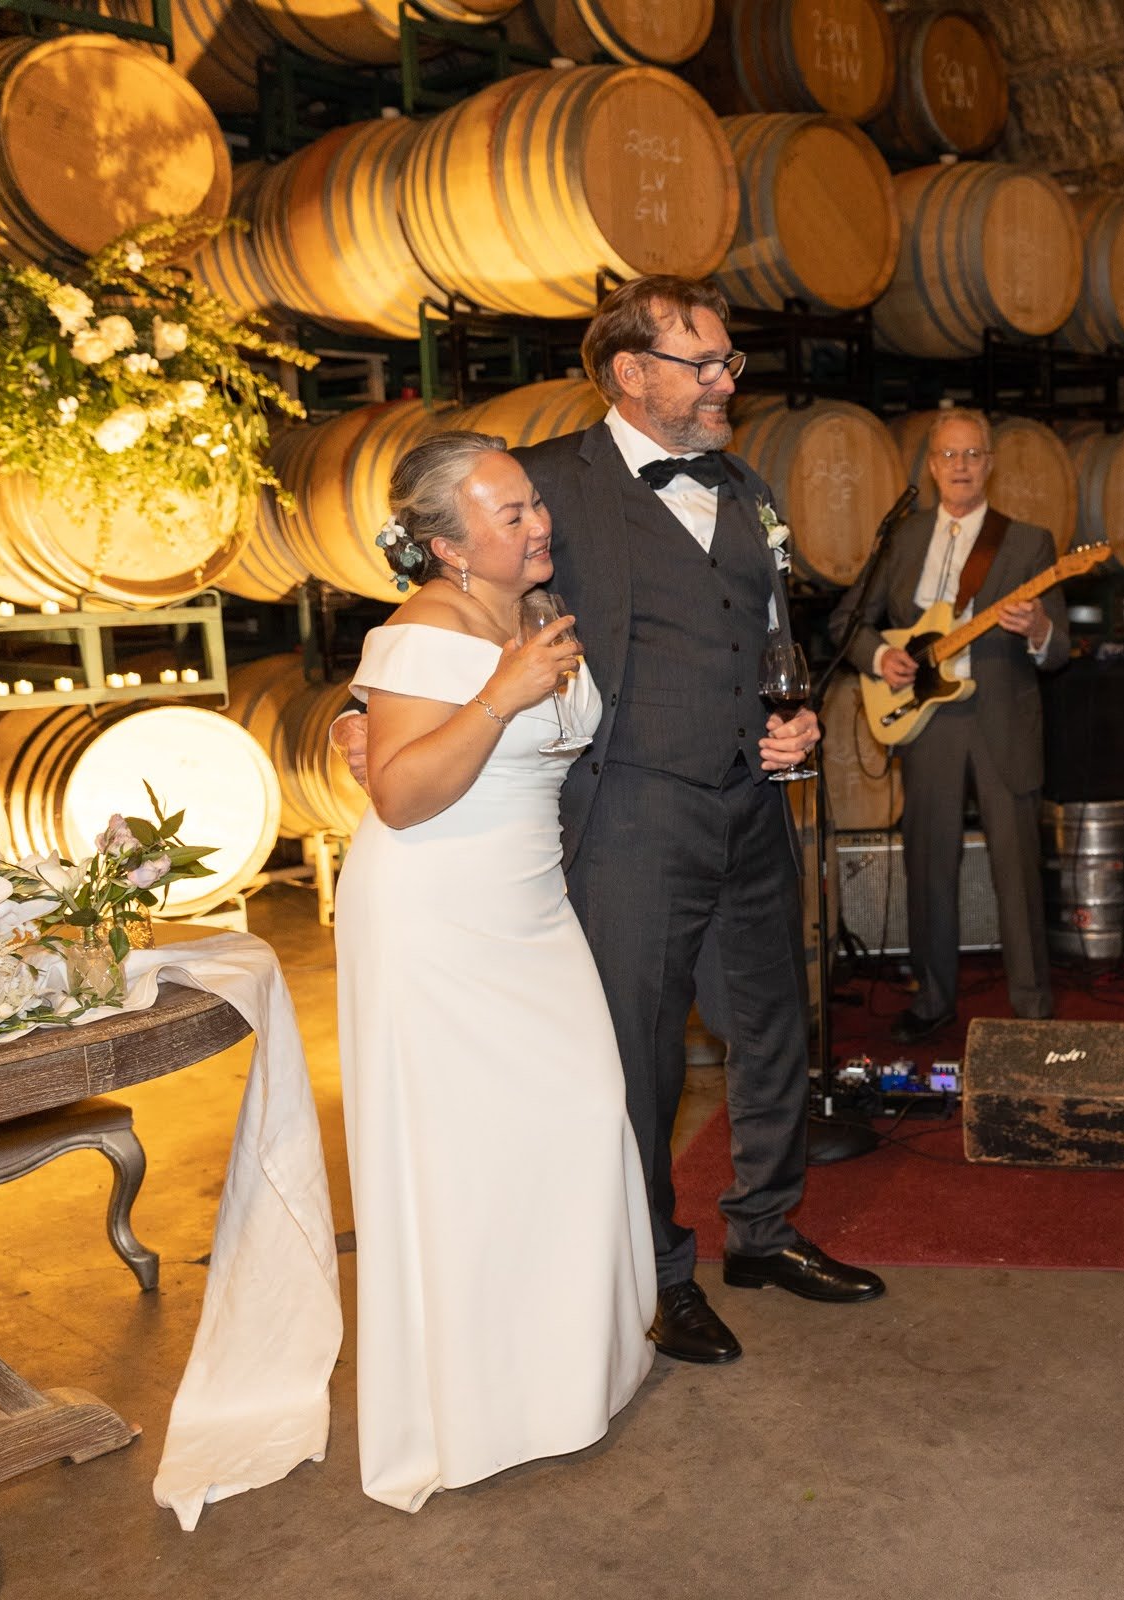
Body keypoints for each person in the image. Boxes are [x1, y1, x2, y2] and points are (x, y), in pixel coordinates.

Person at [337, 276, 882, 1371]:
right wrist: (358, 707)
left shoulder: (745, 484)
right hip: (628, 808)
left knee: (775, 1025)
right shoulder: (545, 488)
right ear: (633, 373)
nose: (729, 380)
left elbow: (767, 631)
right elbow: (435, 599)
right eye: (707, 363)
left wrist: (796, 724)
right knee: (639, 1055)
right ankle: (661, 1272)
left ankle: (766, 1230)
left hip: (750, 803)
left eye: (729, 361)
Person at [333, 431, 655, 1510]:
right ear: (444, 544)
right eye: (509, 513)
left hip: (528, 906)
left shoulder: (528, 612)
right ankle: (476, 1408)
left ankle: (566, 1381)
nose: (537, 523)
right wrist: (501, 698)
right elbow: (402, 793)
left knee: (577, 1110)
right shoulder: (422, 634)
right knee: (461, 1158)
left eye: (532, 504)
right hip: (435, 914)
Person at [832, 407, 1068, 1045]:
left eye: (973, 455)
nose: (960, 466)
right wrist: (883, 657)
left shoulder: (1028, 542)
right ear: (931, 466)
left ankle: (1033, 1011)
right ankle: (933, 1000)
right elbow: (847, 622)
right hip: (927, 723)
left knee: (1017, 869)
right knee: (928, 866)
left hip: (1001, 718)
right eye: (949, 456)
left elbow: (1062, 644)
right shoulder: (904, 537)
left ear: (990, 464)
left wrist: (1040, 631)